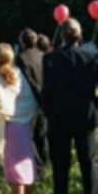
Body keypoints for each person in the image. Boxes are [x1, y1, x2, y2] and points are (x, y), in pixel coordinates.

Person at [41, 18, 98, 194]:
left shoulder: (50, 58)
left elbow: (47, 91)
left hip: (59, 117)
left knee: (60, 166)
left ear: (62, 37)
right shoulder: (91, 57)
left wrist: (49, 112)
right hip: (85, 115)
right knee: (88, 162)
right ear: (79, 35)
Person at [0, 43, 38, 194]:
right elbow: (30, 99)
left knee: (16, 172)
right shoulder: (19, 73)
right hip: (25, 125)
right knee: (26, 167)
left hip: (10, 127)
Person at [15, 28, 49, 178]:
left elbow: (26, 80)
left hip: (30, 100)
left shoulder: (21, 58)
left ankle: (39, 166)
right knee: (42, 134)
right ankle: (46, 162)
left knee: (31, 135)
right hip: (45, 99)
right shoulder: (43, 56)